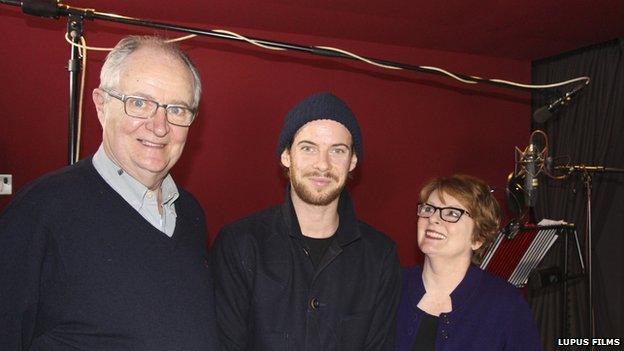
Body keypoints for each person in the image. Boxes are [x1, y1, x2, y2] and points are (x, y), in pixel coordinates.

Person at [0, 36, 218, 350]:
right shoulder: (40, 211)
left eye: (177, 109)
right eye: (140, 103)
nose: (159, 126)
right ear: (102, 105)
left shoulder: (190, 213)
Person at [211, 92, 401, 351]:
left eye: (337, 150)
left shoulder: (381, 257)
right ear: (286, 156)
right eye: (309, 148)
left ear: (352, 161)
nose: (322, 165)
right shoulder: (239, 244)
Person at [395, 174, 542, 351]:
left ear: (478, 238)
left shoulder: (506, 304)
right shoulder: (391, 286)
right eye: (428, 209)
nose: (433, 218)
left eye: (451, 213)